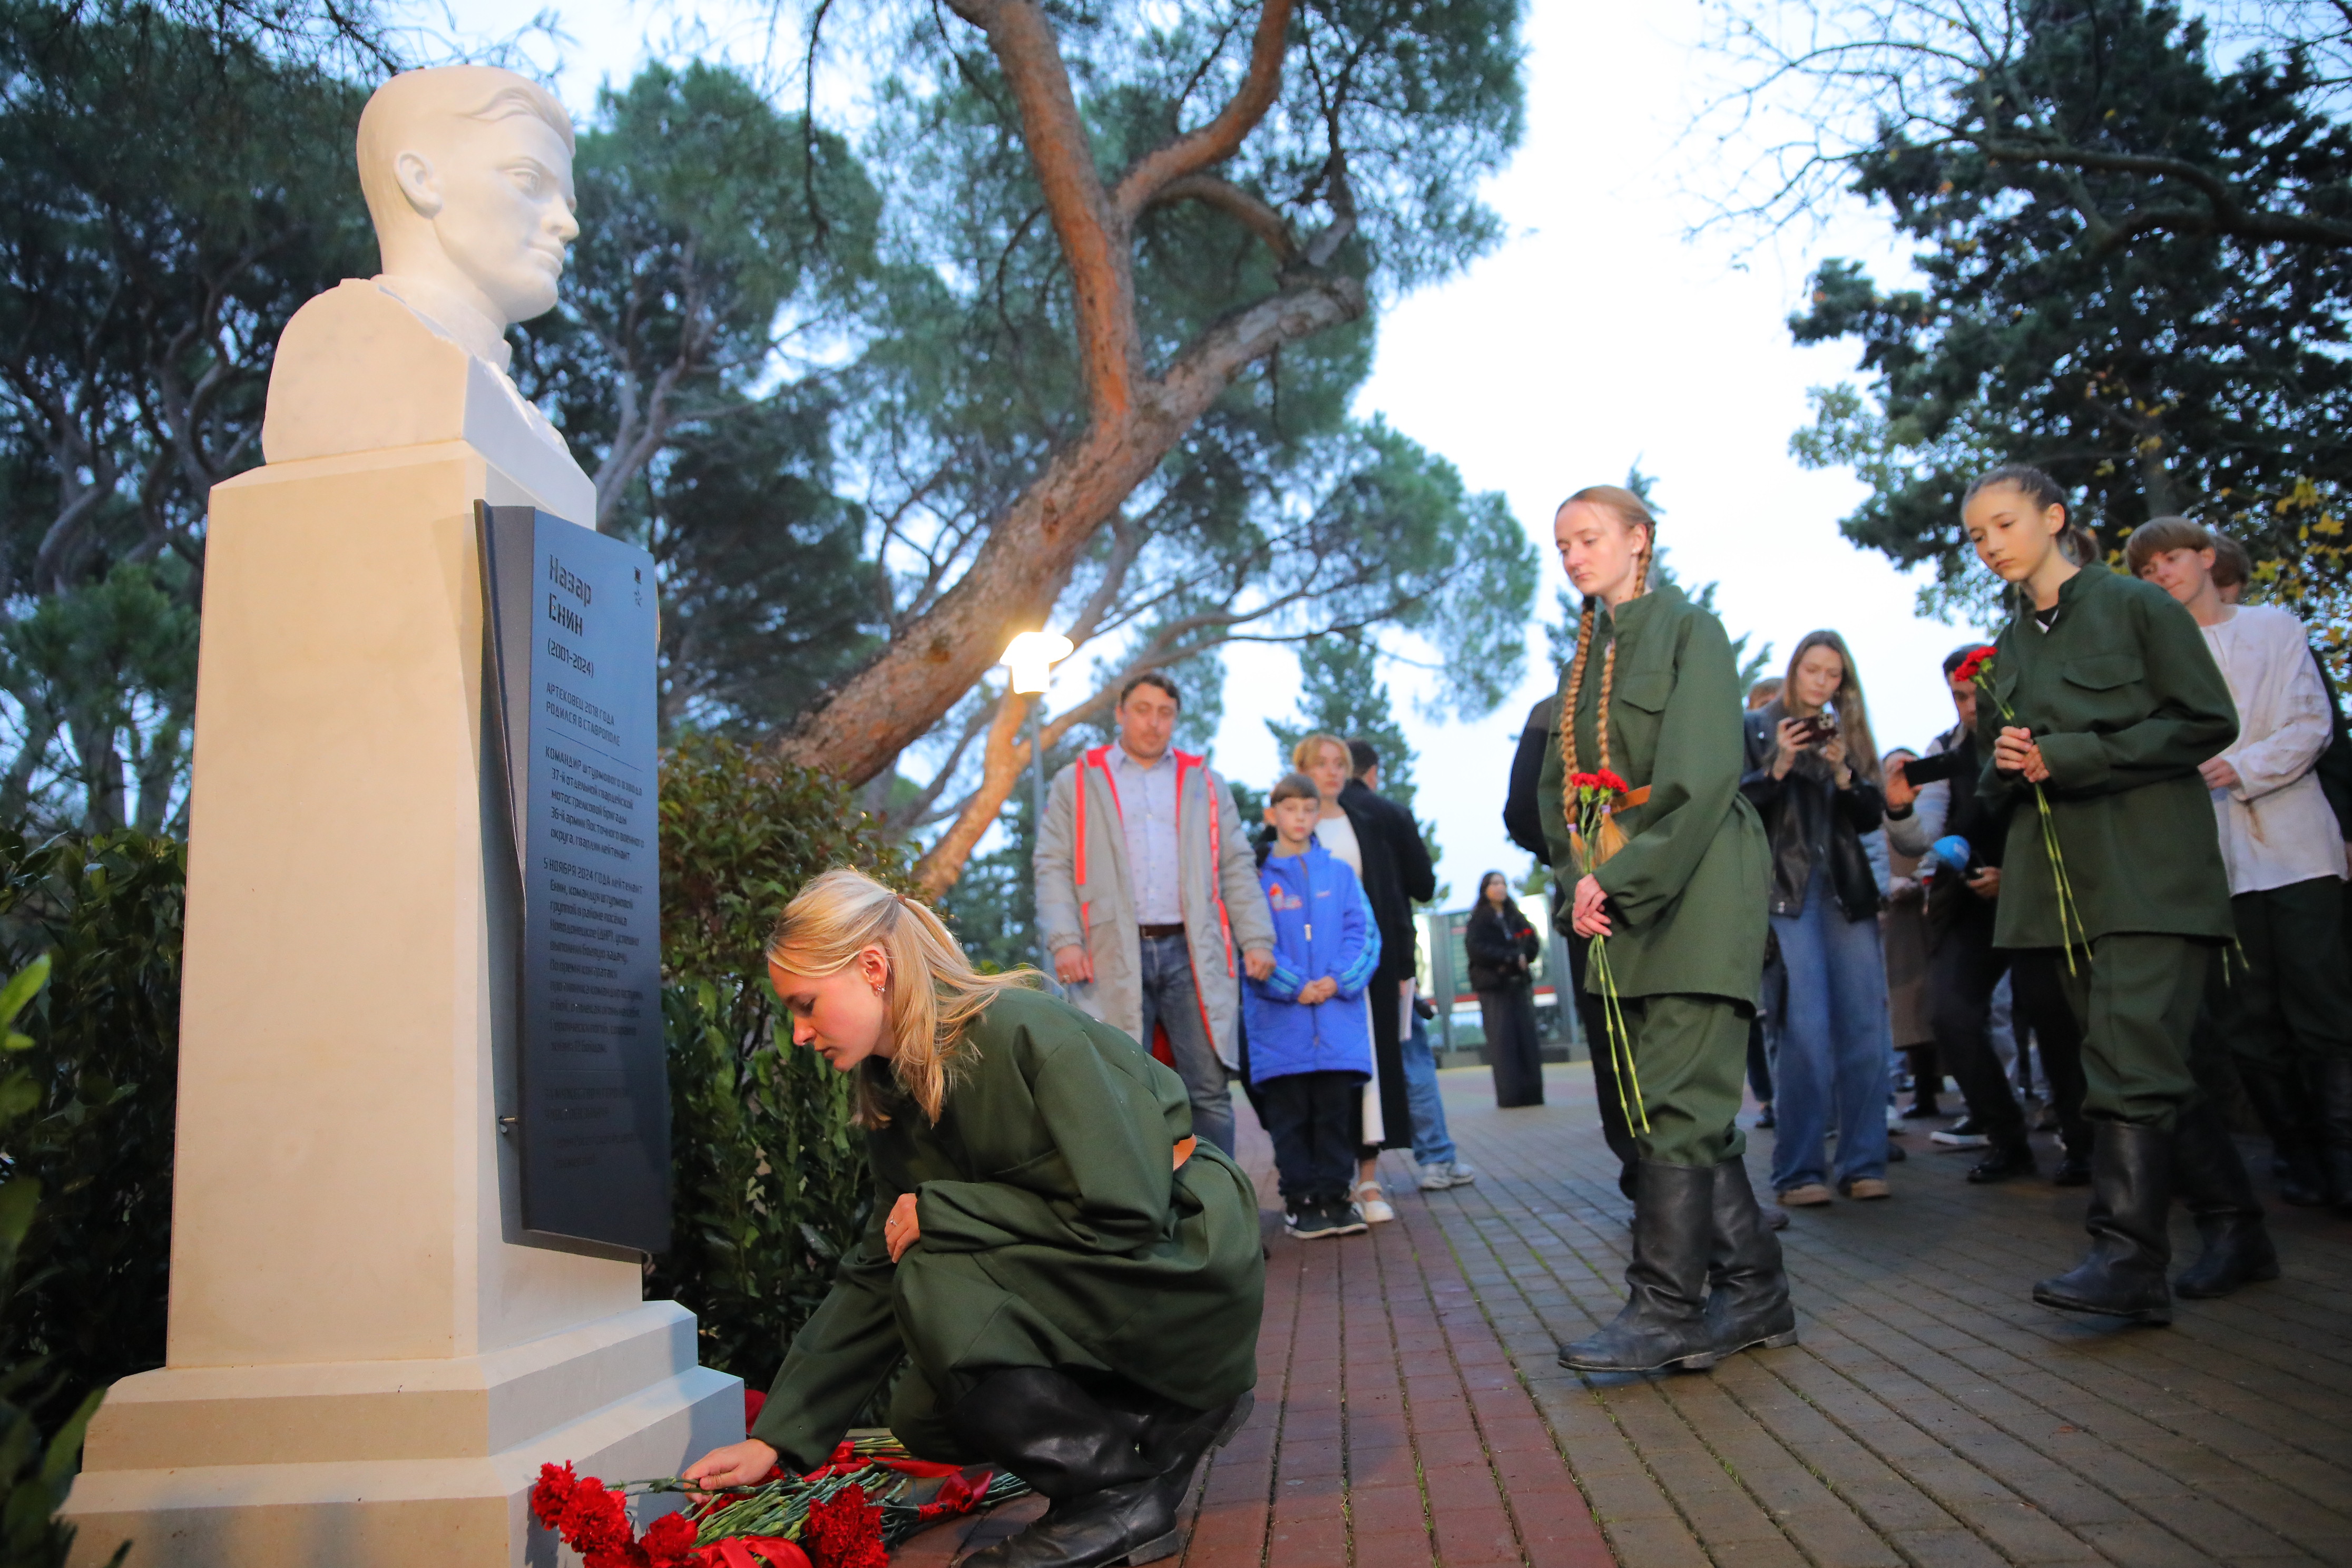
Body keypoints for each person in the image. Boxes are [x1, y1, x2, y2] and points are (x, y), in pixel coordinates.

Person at [683, 870, 1264, 1568]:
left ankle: (1114, 1495)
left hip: (1181, 1254)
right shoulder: (898, 1091)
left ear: (873, 968)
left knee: (937, 1274)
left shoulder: (1025, 1031)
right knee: (925, 1414)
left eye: (807, 1006)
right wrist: (775, 1439)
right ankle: (1161, 1421)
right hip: (1102, 1267)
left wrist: (947, 1210)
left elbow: (1128, 1211)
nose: (802, 1033)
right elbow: (876, 1267)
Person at [1960, 465, 2248, 1323]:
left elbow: (2205, 721)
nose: (1989, 546)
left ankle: (2127, 1260)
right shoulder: (2006, 649)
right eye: (1975, 535)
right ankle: (2236, 1228)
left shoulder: (2135, 607)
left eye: (2003, 524)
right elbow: (1989, 781)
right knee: (2145, 1061)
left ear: (2052, 518)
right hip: (2066, 891)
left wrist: (2070, 754)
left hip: (2147, 875)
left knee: (2127, 1060)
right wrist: (2006, 765)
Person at [1539, 484, 1791, 1375]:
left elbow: (1698, 780)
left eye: (1588, 537)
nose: (1572, 555)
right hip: (1620, 901)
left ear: (1638, 540)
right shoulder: (1580, 666)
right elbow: (1553, 793)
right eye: (1562, 544)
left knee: (1679, 1107)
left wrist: (1612, 877)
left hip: (1695, 890)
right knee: (1671, 1110)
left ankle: (1665, 1310)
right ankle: (1755, 1292)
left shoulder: (1691, 631)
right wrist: (1577, 879)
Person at [2132, 515, 2352, 1224]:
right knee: (2249, 1020)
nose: (2162, 573)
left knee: (2324, 1005)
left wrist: (2244, 766)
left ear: (2205, 557)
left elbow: (2312, 723)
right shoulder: (2153, 653)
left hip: (2298, 846)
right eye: (2147, 568)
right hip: (2219, 859)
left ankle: (2343, 1156)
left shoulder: (2275, 627)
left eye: (2171, 558)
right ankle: (2296, 1152)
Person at [1034, 673, 1275, 1158]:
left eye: (1165, 713)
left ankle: (1218, 1214)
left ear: (1176, 720)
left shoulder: (1203, 781)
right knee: (1120, 1088)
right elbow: (1052, 863)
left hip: (1192, 950)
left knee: (1208, 1092)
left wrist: (1257, 939)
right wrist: (1065, 939)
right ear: (1120, 714)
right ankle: (1140, 1220)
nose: (1154, 722)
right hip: (1109, 952)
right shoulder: (1078, 780)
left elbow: (1235, 863)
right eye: (1142, 710)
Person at [1885, 646, 2093, 1186]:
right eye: (1958, 697)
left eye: (1975, 695)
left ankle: (2082, 1143)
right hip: (1972, 905)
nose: (1968, 708)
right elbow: (1921, 838)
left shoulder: (2034, 738)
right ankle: (2006, 1137)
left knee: (2053, 1018)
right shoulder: (1945, 751)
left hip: (2035, 899)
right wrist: (1899, 807)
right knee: (1949, 1012)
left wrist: (2017, 877)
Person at [1740, 632, 1895, 1206]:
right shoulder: (1757, 725)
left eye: (1833, 674)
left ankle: (1864, 1162)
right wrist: (1777, 766)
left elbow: (1870, 818)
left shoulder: (1847, 731)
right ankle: (1799, 1171)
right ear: (1794, 668)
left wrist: (1846, 775)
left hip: (1846, 890)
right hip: (1787, 894)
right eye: (1813, 670)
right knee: (1803, 1030)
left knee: (1863, 1029)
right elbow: (1738, 809)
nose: (1822, 683)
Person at [1245, 772, 1381, 1239]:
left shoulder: (1340, 875)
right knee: (1290, 1119)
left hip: (1336, 1024)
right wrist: (1292, 985)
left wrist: (1337, 980)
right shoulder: (1256, 879)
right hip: (1280, 1029)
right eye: (1289, 810)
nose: (1299, 818)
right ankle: (1300, 1201)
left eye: (1308, 810)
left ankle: (1335, 1198)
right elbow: (1247, 942)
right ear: (1272, 815)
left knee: (1333, 1115)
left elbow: (1364, 935)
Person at [1348, 739, 1475, 1192]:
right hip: (1390, 954)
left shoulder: (1322, 816)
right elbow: (1424, 884)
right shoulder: (1390, 814)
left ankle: (1346, 1174)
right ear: (1373, 771)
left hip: (1334, 964)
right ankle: (1437, 1160)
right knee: (1411, 1054)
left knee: (1343, 1063)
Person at [1879, 749, 1940, 1119]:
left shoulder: (1936, 808)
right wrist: (1888, 886)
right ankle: (1923, 1090)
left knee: (1942, 997)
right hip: (1898, 919)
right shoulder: (1879, 811)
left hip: (1936, 910)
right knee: (1908, 1003)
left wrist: (1922, 879)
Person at [1465, 870, 1545, 1107]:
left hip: (1518, 985)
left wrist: (1524, 956)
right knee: (1503, 1042)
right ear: (1485, 889)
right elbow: (1477, 950)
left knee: (1527, 1040)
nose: (1500, 888)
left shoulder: (1515, 916)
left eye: (1503, 883)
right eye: (1495, 884)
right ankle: (1510, 1097)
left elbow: (1532, 941)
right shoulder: (1479, 919)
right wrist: (1509, 958)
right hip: (1494, 987)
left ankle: (1533, 1095)